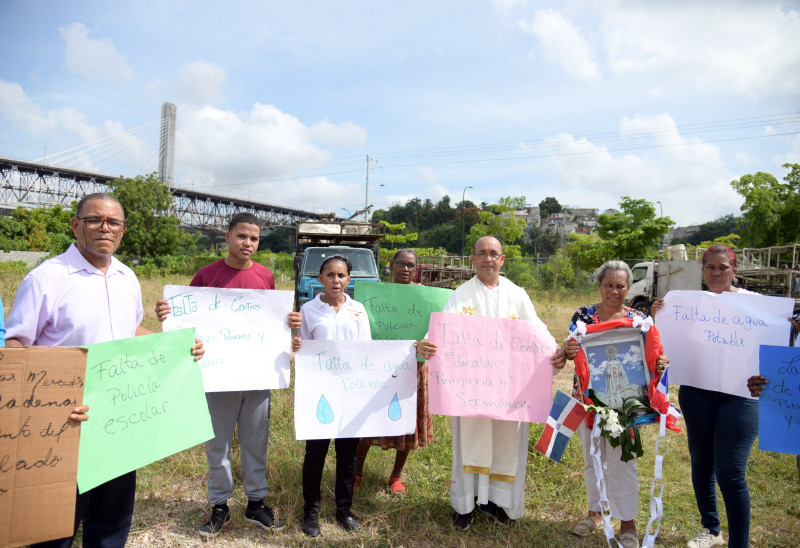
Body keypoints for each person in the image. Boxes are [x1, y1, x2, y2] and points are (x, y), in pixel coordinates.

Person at [4, 192, 203, 548]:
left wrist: (176, 349)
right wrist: (45, 405)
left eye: (113, 222)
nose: (104, 228)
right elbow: (16, 346)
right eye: (95, 220)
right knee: (55, 526)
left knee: (112, 521)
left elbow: (131, 333)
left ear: (123, 230)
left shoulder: (127, 277)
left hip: (119, 417)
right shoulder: (46, 278)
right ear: (76, 225)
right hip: (64, 420)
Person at [155, 212, 300, 539]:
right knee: (217, 442)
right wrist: (167, 314)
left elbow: (271, 324)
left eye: (254, 238)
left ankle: (256, 502)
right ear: (227, 236)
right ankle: (219, 505)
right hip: (217, 377)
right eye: (242, 236)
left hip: (257, 375)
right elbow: (184, 319)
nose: (247, 243)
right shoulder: (206, 275)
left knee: (255, 439)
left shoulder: (265, 277)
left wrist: (288, 324)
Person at [444, 236, 565, 530]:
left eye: (493, 254)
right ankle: (466, 505)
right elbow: (445, 332)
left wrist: (554, 353)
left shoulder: (517, 295)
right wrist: (431, 346)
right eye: (482, 253)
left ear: (502, 259)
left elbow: (537, 329)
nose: (488, 258)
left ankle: (495, 502)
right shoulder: (460, 296)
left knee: (506, 442)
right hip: (472, 388)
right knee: (470, 442)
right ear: (472, 259)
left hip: (510, 389)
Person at [654, 245, 757, 548]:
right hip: (697, 392)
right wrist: (659, 317)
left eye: (722, 267)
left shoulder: (755, 305)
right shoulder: (687, 305)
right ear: (701, 270)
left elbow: (775, 346)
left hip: (740, 396)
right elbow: (669, 344)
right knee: (701, 462)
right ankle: (711, 529)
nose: (715, 273)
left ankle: (740, 543)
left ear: (734, 271)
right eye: (709, 267)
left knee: (731, 471)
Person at [563, 260, 668, 548]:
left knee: (624, 461)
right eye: (608, 284)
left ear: (628, 288)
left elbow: (650, 358)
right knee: (593, 457)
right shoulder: (583, 316)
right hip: (589, 403)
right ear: (599, 285)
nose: (614, 291)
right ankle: (595, 512)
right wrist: (568, 348)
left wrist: (659, 363)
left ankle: (627, 522)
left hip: (627, 403)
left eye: (620, 285)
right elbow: (570, 349)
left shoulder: (638, 320)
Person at [291, 254, 370, 537]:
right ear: (319, 278)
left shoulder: (358, 310)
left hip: (350, 392)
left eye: (341, 275)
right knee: (316, 453)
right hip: (320, 390)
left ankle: (343, 511)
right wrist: (297, 344)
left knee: (347, 454)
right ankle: (311, 513)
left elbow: (367, 349)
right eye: (329, 275)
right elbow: (304, 351)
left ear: (349, 279)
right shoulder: (308, 310)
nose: (335, 281)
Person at [355, 249, 438, 494]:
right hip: (379, 368)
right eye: (400, 263)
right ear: (391, 266)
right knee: (367, 421)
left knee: (408, 422)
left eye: (410, 266)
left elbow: (434, 330)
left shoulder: (426, 298)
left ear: (417, 270)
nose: (405, 269)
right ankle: (356, 471)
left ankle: (396, 476)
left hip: (414, 367)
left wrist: (424, 343)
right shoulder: (374, 296)